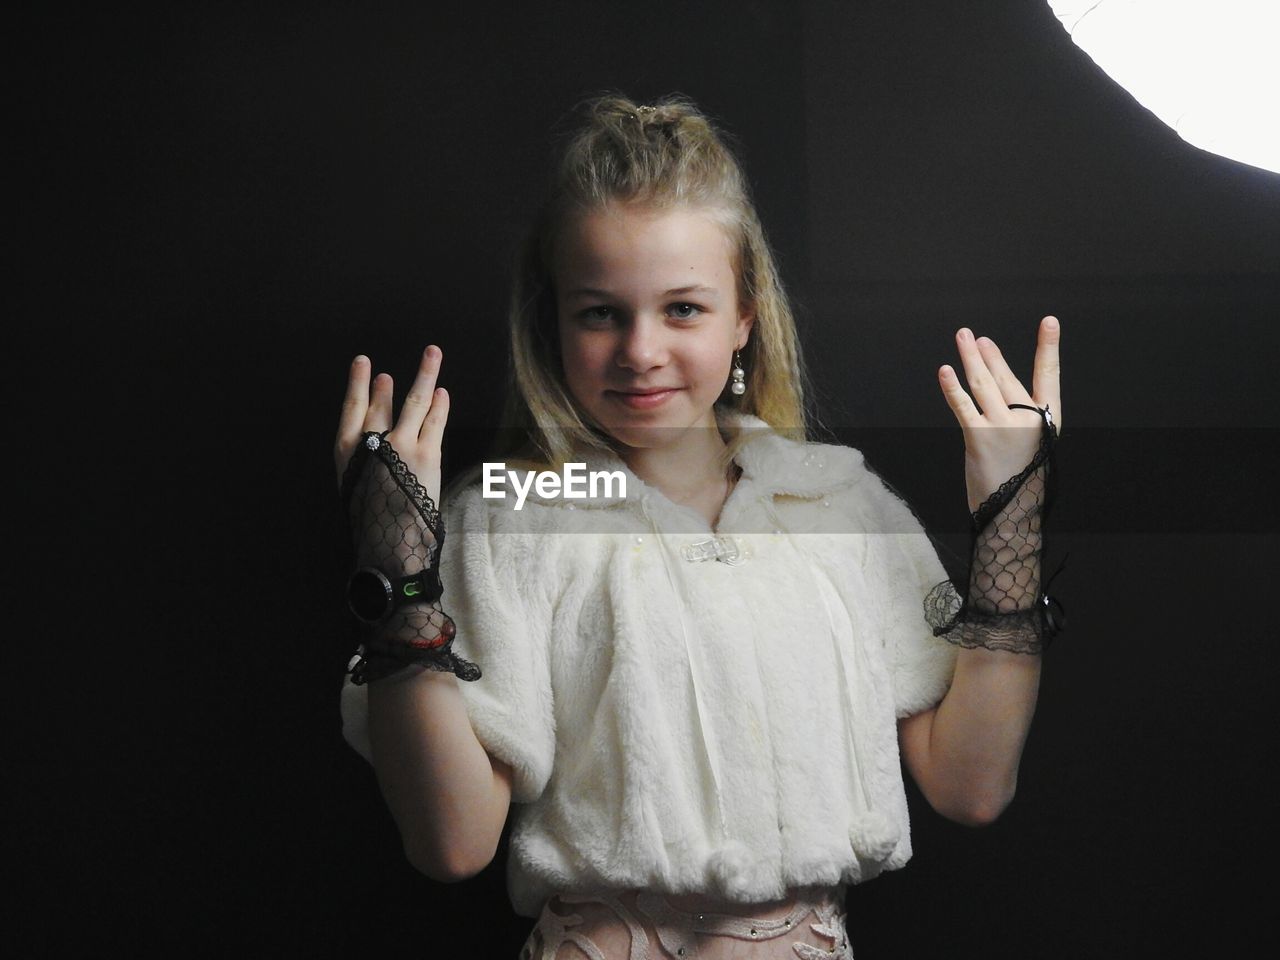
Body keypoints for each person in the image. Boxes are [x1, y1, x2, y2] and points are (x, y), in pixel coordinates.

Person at [335, 95, 1063, 959]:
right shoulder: (506, 515)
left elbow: (970, 785)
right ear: (554, 321)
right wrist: (400, 573)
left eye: (683, 308)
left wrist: (1013, 513)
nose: (641, 350)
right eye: (600, 311)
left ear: (744, 313)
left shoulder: (840, 503)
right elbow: (452, 843)